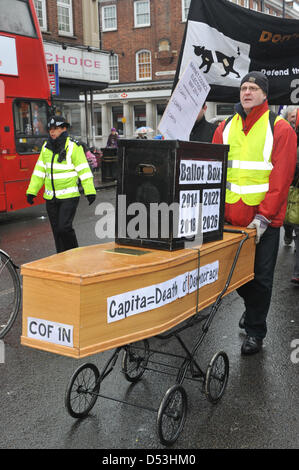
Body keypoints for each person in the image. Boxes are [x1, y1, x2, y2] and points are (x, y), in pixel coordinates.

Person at [213, 71, 297, 355]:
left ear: (264, 94)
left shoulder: (281, 128)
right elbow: (213, 172)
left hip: (264, 222)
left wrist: (263, 218)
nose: (246, 92)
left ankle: (255, 332)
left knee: (260, 279)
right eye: (243, 88)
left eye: (253, 88)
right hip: (229, 219)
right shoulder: (224, 126)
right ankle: (253, 311)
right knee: (232, 276)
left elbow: (281, 178)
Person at [26, 115, 96, 253]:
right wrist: (32, 191)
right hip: (51, 198)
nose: (52, 132)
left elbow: (84, 170)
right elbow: (39, 171)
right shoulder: (46, 147)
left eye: (56, 129)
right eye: (51, 129)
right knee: (57, 232)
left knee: (64, 227)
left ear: (64, 129)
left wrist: (90, 191)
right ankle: (62, 259)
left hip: (69, 196)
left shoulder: (73, 146)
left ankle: (74, 254)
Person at [283, 106, 299, 245]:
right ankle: (288, 232)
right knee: (289, 214)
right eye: (292, 116)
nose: (295, 119)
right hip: (289, 181)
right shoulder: (285, 132)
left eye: (296, 116)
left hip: (295, 181)